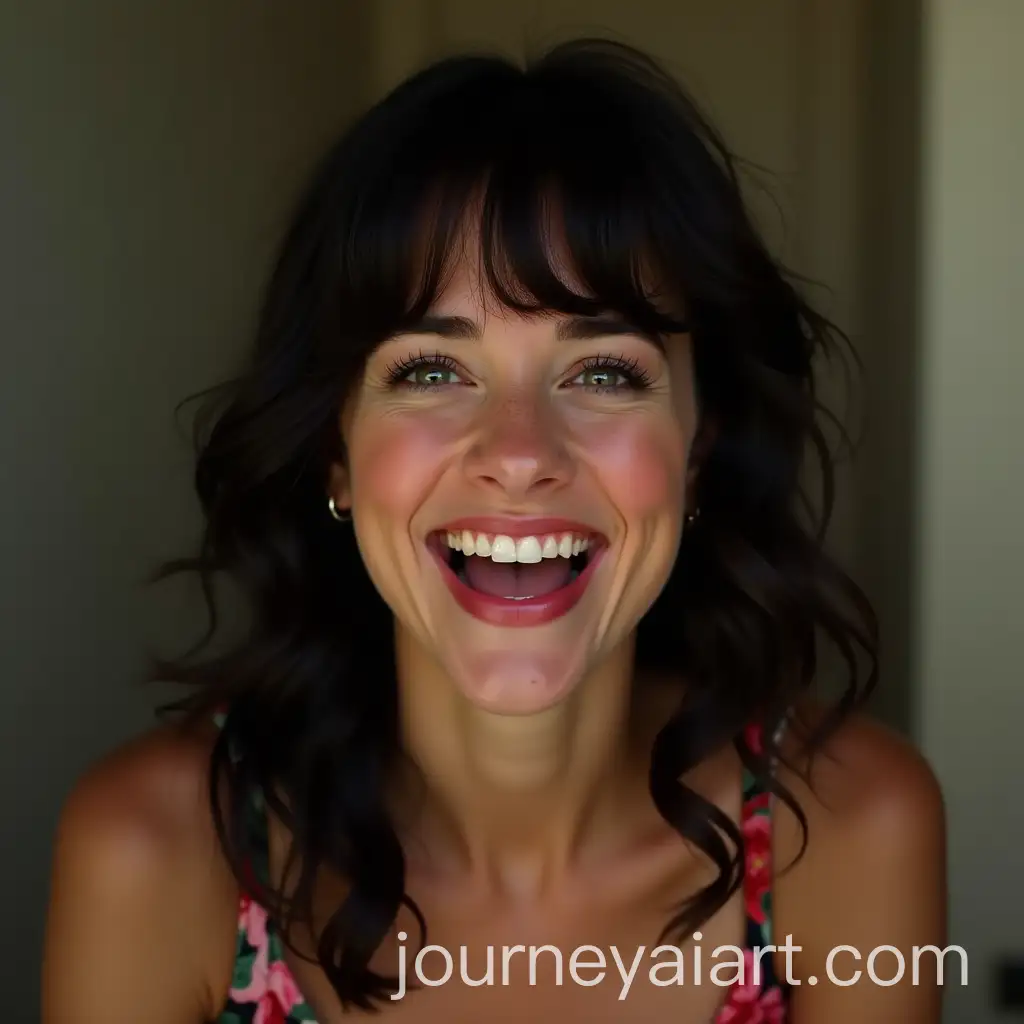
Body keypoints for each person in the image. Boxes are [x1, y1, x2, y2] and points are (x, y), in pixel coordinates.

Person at [42, 38, 947, 1023]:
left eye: (604, 372)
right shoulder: (157, 852)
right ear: (334, 448)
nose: (519, 453)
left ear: (697, 445)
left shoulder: (851, 828)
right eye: (430, 370)